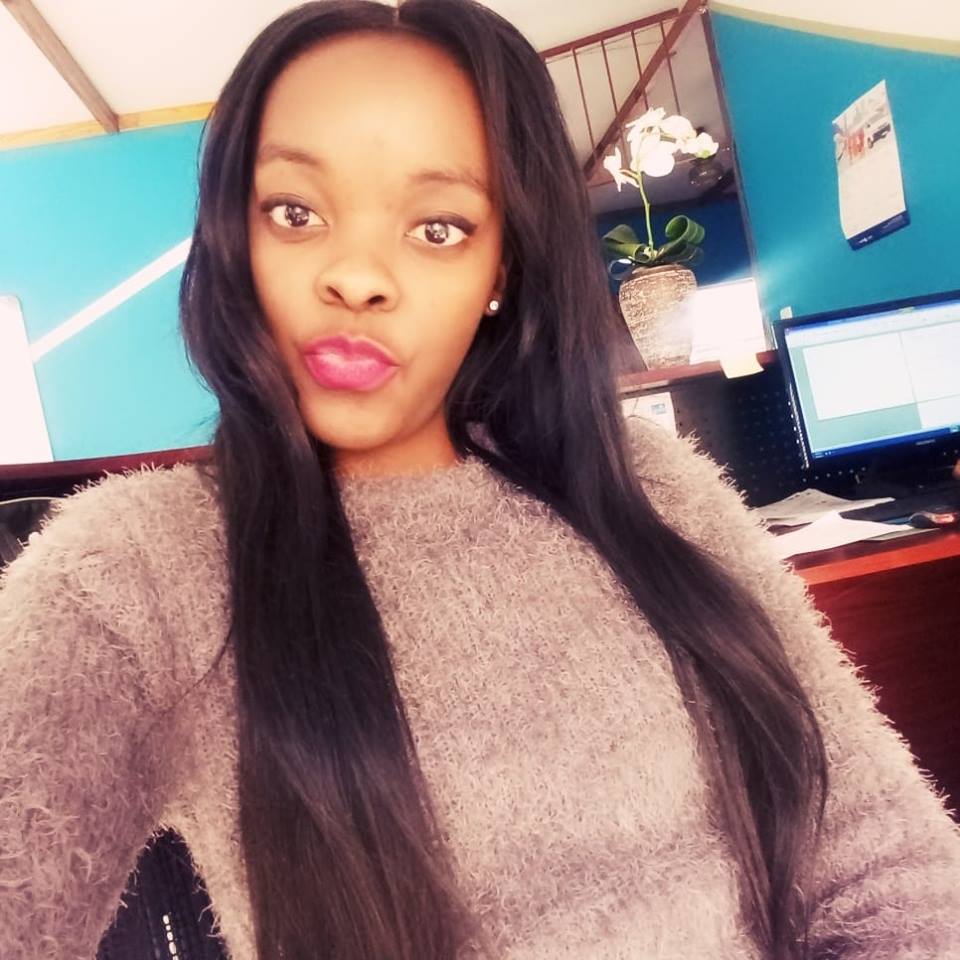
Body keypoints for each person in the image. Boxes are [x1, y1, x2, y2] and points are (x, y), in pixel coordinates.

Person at [2, 1, 959, 958]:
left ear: (501, 267)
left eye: (438, 227)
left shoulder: (653, 487)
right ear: (233, 238)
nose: (358, 277)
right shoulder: (132, 575)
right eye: (296, 213)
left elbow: (889, 865)